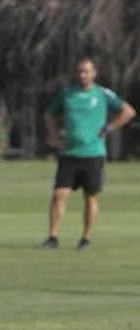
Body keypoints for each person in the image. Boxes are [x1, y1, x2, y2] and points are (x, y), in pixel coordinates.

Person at [37, 57, 135, 251]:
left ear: (94, 73)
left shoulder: (102, 94)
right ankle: (53, 237)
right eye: (80, 71)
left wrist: (108, 128)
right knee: (59, 194)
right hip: (70, 153)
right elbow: (49, 115)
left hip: (93, 153)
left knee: (90, 196)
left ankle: (85, 239)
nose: (82, 75)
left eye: (86, 72)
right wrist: (54, 138)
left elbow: (128, 111)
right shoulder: (67, 94)